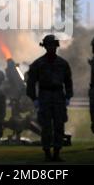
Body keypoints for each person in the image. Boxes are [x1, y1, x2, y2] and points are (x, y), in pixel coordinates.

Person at [26, 34, 73, 162]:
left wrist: (68, 96)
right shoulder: (38, 64)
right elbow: (30, 83)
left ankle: (57, 153)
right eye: (49, 45)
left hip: (58, 96)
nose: (51, 47)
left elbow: (68, 82)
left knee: (59, 126)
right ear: (45, 46)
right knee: (46, 126)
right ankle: (47, 153)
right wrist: (34, 99)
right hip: (45, 96)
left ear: (56, 46)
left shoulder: (63, 64)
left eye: (53, 45)